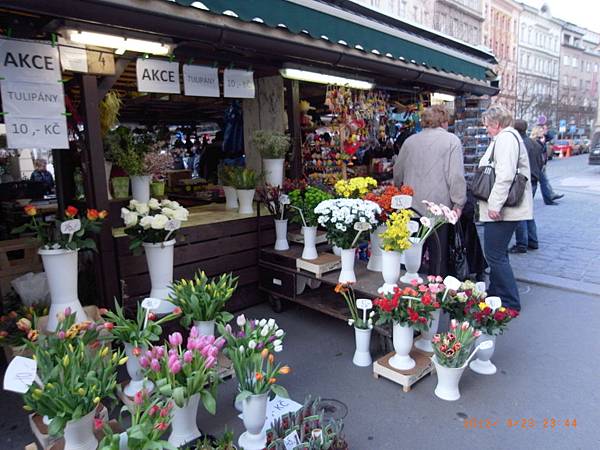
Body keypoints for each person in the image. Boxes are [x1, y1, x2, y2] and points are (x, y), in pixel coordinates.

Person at [393, 105, 466, 276]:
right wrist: (458, 203)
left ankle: (409, 289)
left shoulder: (410, 141)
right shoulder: (451, 141)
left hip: (412, 206)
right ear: (443, 121)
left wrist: (398, 191)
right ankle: (434, 293)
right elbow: (455, 175)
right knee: (438, 255)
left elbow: (398, 171)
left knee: (412, 252)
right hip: (439, 208)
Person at [477, 105, 533, 311]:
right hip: (506, 208)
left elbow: (505, 175)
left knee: (494, 254)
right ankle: (497, 292)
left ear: (496, 124)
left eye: (487, 126)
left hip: (504, 209)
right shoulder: (509, 137)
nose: (486, 130)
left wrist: (494, 205)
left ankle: (509, 300)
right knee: (499, 252)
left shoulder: (506, 139)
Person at [509, 120, 542, 253]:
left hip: (522, 182)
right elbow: (541, 162)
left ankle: (522, 243)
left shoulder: (518, 144)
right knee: (528, 211)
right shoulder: (535, 143)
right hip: (533, 180)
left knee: (520, 213)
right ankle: (533, 240)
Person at [530, 125, 563, 205]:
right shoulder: (535, 141)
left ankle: (548, 198)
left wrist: (546, 131)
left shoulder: (542, 139)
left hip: (540, 165)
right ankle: (546, 199)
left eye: (543, 131)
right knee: (538, 183)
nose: (543, 133)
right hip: (536, 166)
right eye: (541, 131)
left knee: (542, 182)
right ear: (536, 132)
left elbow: (551, 136)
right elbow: (538, 153)